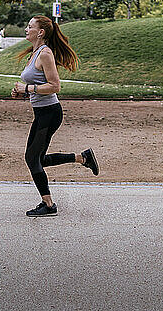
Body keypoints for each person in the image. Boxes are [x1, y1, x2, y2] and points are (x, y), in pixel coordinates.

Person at [12, 15, 99, 217]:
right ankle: (82, 158)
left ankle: (49, 205)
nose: (26, 29)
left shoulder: (45, 54)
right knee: (37, 159)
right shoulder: (34, 53)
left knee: (32, 159)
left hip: (50, 113)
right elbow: (39, 86)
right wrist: (23, 93)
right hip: (42, 113)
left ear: (40, 32)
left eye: (30, 26)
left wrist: (28, 87)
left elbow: (55, 86)